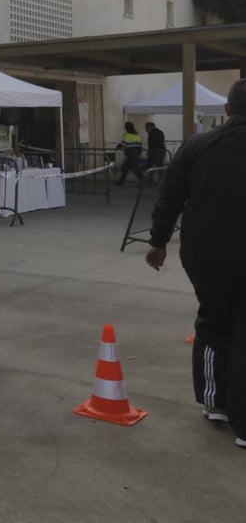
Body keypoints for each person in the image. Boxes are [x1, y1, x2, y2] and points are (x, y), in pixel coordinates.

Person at [146, 78, 246, 450]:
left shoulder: (198, 145)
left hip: (207, 254)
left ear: (227, 109)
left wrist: (158, 242)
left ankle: (216, 402)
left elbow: (169, 196)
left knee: (213, 321)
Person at [114, 121, 144, 185]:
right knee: (125, 167)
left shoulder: (127, 134)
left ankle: (143, 181)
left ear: (128, 127)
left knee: (134, 169)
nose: (125, 128)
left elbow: (123, 143)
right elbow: (140, 145)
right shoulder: (136, 134)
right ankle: (121, 181)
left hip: (131, 154)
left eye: (125, 126)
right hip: (136, 153)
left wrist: (117, 147)